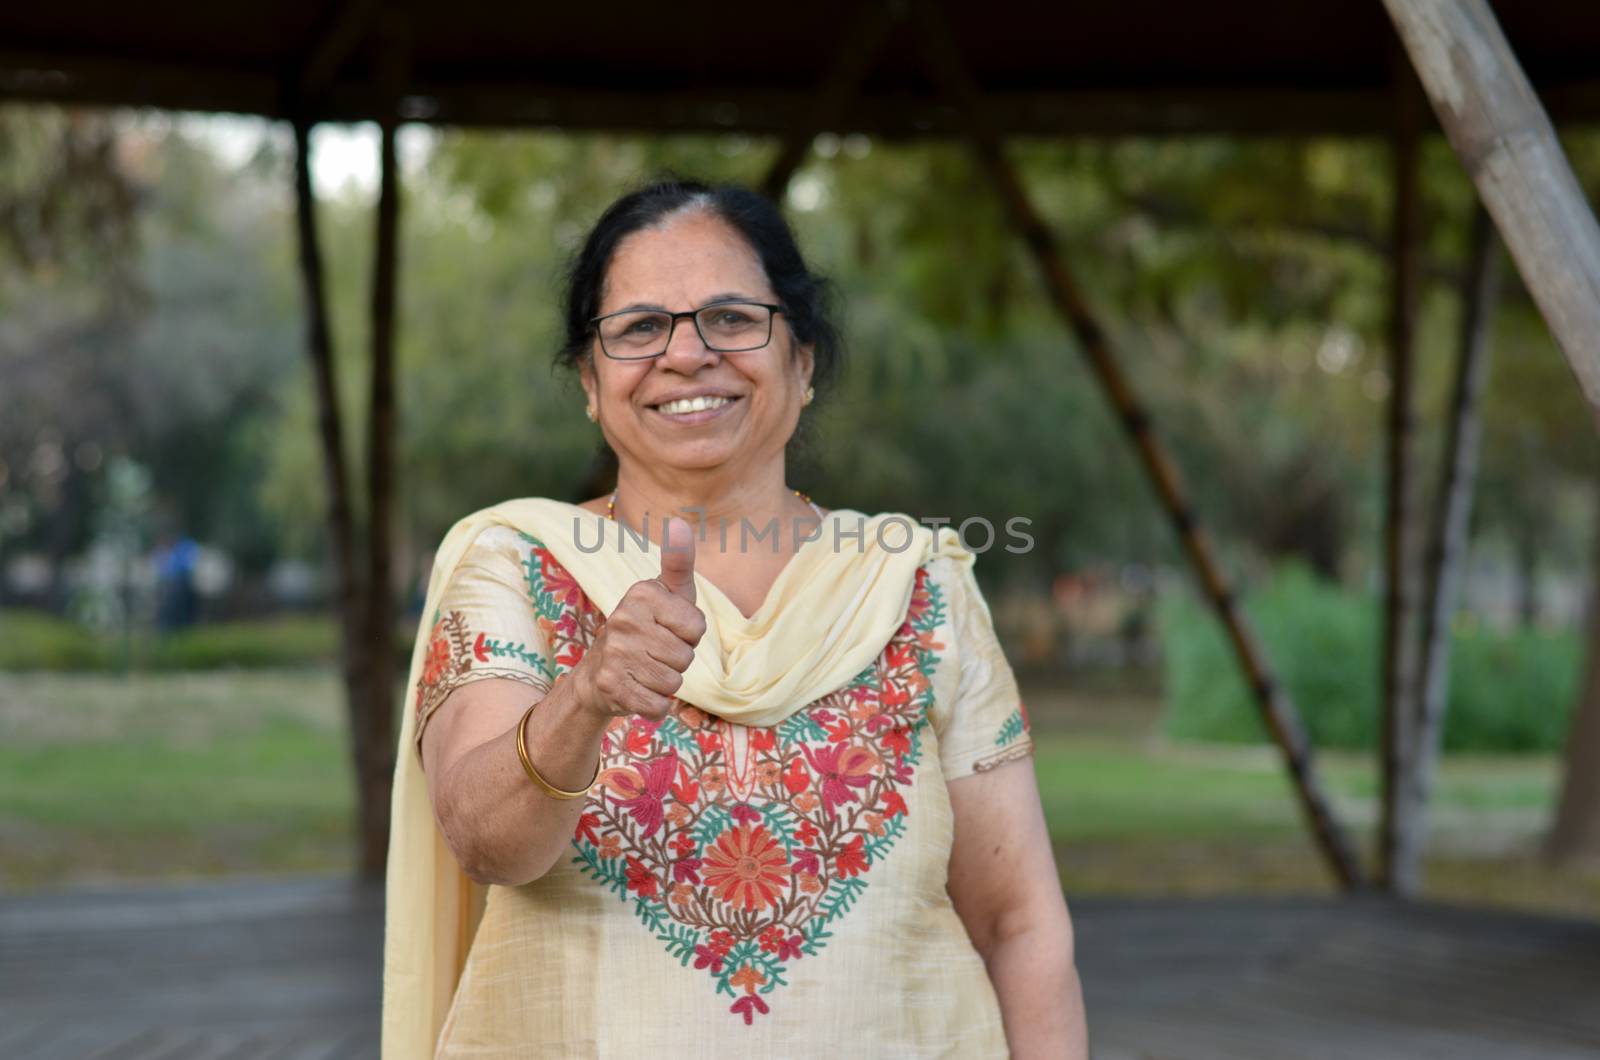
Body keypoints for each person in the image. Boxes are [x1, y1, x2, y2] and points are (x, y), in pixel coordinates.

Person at [383, 179, 1088, 1058]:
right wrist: (586, 695)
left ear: (802, 363)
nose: (688, 354)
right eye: (640, 328)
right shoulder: (518, 563)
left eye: (731, 317)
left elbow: (1020, 924)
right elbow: (487, 842)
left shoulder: (917, 583)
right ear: (590, 385)